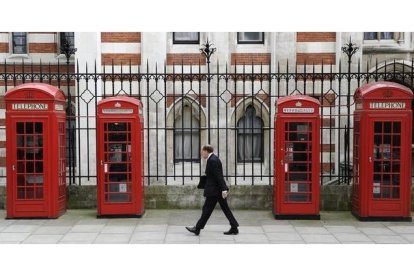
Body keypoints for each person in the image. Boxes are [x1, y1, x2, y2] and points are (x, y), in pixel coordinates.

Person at [186, 144, 239, 235]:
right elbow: (215, 176)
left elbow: (218, 176)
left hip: (214, 191)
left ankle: (197, 228)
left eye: (202, 151)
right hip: (216, 190)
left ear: (206, 151)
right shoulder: (213, 159)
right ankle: (234, 227)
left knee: (207, 210)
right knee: (224, 209)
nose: (201, 154)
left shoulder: (213, 160)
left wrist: (224, 189)